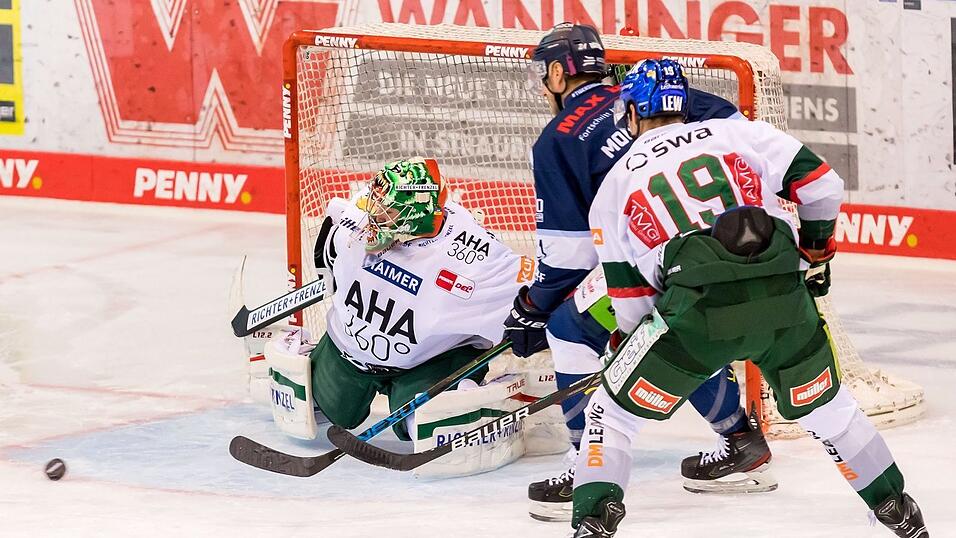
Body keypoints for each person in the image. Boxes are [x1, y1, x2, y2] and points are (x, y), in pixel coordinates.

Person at [569, 59, 928, 538]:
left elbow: (632, 298)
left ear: (632, 113)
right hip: (782, 300)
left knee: (609, 415)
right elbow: (822, 183)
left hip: (694, 322)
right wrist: (816, 253)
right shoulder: (735, 134)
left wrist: (633, 345)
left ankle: (594, 522)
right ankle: (896, 510)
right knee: (832, 411)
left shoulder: (613, 187)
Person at [501, 23, 774, 522]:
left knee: (569, 328)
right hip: (734, 242)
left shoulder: (559, 139)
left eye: (545, 73)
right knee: (669, 329)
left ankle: (588, 464)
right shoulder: (658, 96)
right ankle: (740, 439)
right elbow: (742, 134)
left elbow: (571, 258)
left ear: (560, 72)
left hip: (658, 258)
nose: (544, 84)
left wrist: (532, 308)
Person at [263, 157, 533, 446]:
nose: (372, 220)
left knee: (431, 428)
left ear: (417, 215)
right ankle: (317, 359)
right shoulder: (355, 218)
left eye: (387, 213)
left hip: (429, 362)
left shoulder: (480, 260)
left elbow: (544, 288)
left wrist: (538, 315)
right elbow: (328, 252)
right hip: (350, 351)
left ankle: (486, 397)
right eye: (374, 205)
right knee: (320, 409)